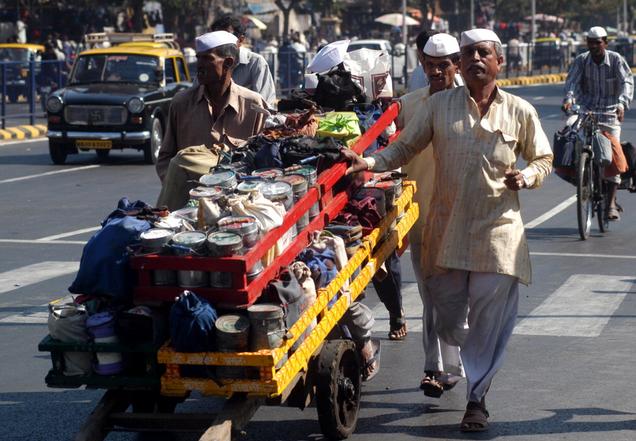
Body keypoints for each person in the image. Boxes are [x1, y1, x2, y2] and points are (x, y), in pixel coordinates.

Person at [342, 28, 553, 432]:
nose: (476, 60)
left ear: (498, 62)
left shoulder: (520, 110)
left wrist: (525, 178)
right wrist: (368, 164)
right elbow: (404, 148)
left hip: (498, 232)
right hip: (446, 230)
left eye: (483, 54)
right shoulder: (439, 108)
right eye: (469, 53)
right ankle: (466, 361)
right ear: (461, 62)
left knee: (490, 321)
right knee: (448, 314)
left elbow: (542, 158)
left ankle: (477, 399)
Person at [397, 33, 465, 397]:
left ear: (457, 65)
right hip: (422, 218)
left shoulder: (471, 105)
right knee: (431, 296)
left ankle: (453, 366)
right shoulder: (408, 106)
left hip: (463, 218)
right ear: (422, 65)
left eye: (444, 65)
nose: (436, 71)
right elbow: (393, 152)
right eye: (430, 65)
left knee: (457, 298)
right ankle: (434, 367)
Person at [155, 31, 269, 210]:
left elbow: (264, 162)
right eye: (198, 58)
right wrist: (175, 184)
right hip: (187, 206)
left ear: (228, 63)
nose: (199, 65)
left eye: (207, 59)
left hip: (237, 206)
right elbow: (165, 159)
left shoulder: (253, 105)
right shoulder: (181, 103)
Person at [563, 26, 634, 221]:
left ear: (606, 42)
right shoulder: (582, 60)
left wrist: (621, 104)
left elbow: (627, 82)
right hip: (586, 110)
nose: (594, 46)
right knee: (569, 136)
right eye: (590, 42)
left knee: (612, 156)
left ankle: (610, 203)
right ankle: (579, 172)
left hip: (610, 113)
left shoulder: (617, 60)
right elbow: (573, 83)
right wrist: (569, 99)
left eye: (598, 42)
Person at [210, 15, 277, 108]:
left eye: (226, 37)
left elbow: (264, 105)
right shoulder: (209, 63)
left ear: (240, 40)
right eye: (216, 38)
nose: (220, 43)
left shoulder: (256, 63)